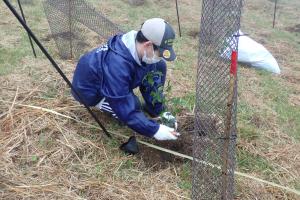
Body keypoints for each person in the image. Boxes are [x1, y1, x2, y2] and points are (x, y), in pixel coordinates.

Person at [72, 18, 180, 140]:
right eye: (159, 54)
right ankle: (101, 104)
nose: (159, 57)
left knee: (158, 66)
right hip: (91, 91)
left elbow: (152, 81)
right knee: (133, 105)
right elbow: (122, 105)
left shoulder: (141, 49)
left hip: (112, 81)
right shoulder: (117, 64)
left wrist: (161, 112)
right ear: (148, 44)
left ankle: (152, 109)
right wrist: (154, 130)